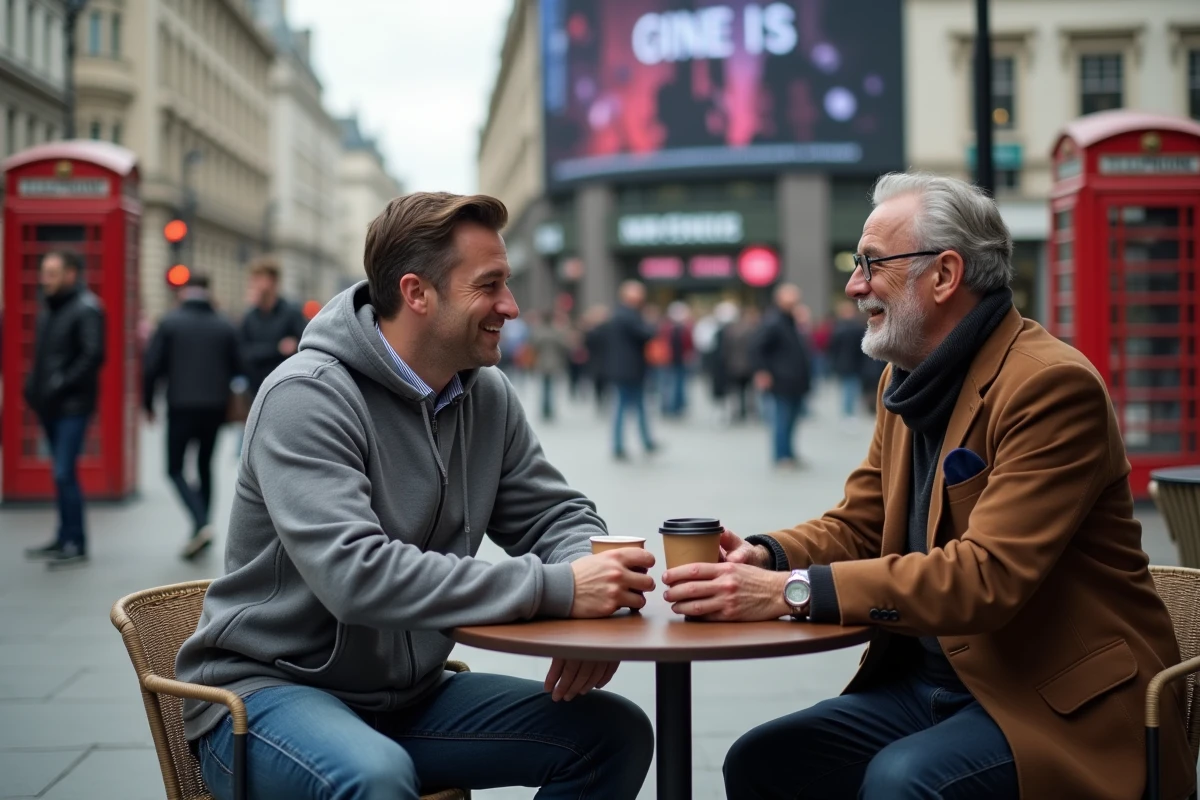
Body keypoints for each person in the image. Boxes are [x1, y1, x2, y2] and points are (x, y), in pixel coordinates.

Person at [661, 172, 1194, 800]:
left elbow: (985, 576)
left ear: (944, 275)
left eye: (871, 263)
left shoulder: (1050, 386)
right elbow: (859, 523)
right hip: (931, 686)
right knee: (764, 760)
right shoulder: (905, 379)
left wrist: (788, 591)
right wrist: (768, 556)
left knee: (903, 781)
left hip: (1052, 701)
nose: (854, 284)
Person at [175, 192, 655, 800]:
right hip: (267, 698)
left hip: (410, 699)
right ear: (417, 293)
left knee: (614, 733)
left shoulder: (487, 395)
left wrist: (592, 593)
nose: (510, 306)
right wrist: (558, 589)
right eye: (490, 285)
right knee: (373, 777)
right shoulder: (307, 396)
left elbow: (556, 515)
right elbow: (356, 575)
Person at [143, 274, 242, 560]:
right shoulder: (224, 324)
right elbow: (239, 366)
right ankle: (204, 525)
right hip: (215, 408)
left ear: (185, 292)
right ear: (208, 292)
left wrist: (148, 403)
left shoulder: (170, 322)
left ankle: (200, 522)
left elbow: (152, 366)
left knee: (174, 468)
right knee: (204, 466)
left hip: (180, 405)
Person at [22, 250, 105, 569]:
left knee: (63, 471)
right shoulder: (50, 307)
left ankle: (77, 542)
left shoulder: (87, 308)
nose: (46, 279)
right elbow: (42, 355)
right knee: (59, 473)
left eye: (52, 273)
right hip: (48, 404)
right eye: (44, 272)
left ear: (71, 274)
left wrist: (59, 383)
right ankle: (62, 535)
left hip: (73, 405)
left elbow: (93, 355)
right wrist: (33, 386)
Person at [752, 283, 812, 467]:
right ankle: (781, 456)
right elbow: (757, 348)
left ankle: (789, 453)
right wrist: (762, 371)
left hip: (795, 380)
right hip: (781, 380)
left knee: (792, 420)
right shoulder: (774, 322)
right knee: (782, 419)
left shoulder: (791, 321)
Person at [603, 280, 659, 460]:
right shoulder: (630, 315)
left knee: (628, 406)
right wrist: (651, 322)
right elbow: (647, 334)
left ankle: (639, 441)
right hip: (631, 369)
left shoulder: (617, 314)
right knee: (629, 406)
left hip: (623, 369)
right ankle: (627, 444)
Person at [238, 256, 307, 399]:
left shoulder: (291, 313)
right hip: (256, 389)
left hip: (286, 387)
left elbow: (302, 348)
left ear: (273, 281)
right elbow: (245, 353)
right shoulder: (249, 317)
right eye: (254, 279)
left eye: (259, 279)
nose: (255, 284)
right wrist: (278, 349)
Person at [829, 299, 868, 417]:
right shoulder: (854, 328)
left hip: (847, 363)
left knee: (849, 388)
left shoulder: (839, 328)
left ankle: (848, 412)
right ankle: (848, 413)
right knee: (850, 389)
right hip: (851, 364)